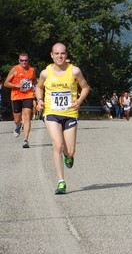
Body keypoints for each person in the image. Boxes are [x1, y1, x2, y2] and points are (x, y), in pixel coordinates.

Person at [36, 43, 90, 194]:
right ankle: (61, 182)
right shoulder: (45, 73)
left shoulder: (74, 71)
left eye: (63, 53)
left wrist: (79, 101)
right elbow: (39, 87)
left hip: (70, 113)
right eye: (57, 53)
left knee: (70, 150)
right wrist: (40, 101)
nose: (60, 56)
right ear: (51, 55)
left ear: (67, 55)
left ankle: (69, 156)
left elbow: (85, 87)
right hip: (51, 112)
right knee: (57, 145)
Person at [4, 53, 37, 148]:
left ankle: (25, 139)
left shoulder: (32, 70)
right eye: (22, 60)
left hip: (28, 95)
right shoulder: (15, 70)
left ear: (28, 60)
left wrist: (37, 88)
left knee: (27, 117)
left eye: (26, 60)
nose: (24, 62)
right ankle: (18, 126)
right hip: (16, 96)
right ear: (19, 61)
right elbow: (6, 83)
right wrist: (17, 85)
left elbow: (34, 80)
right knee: (17, 118)